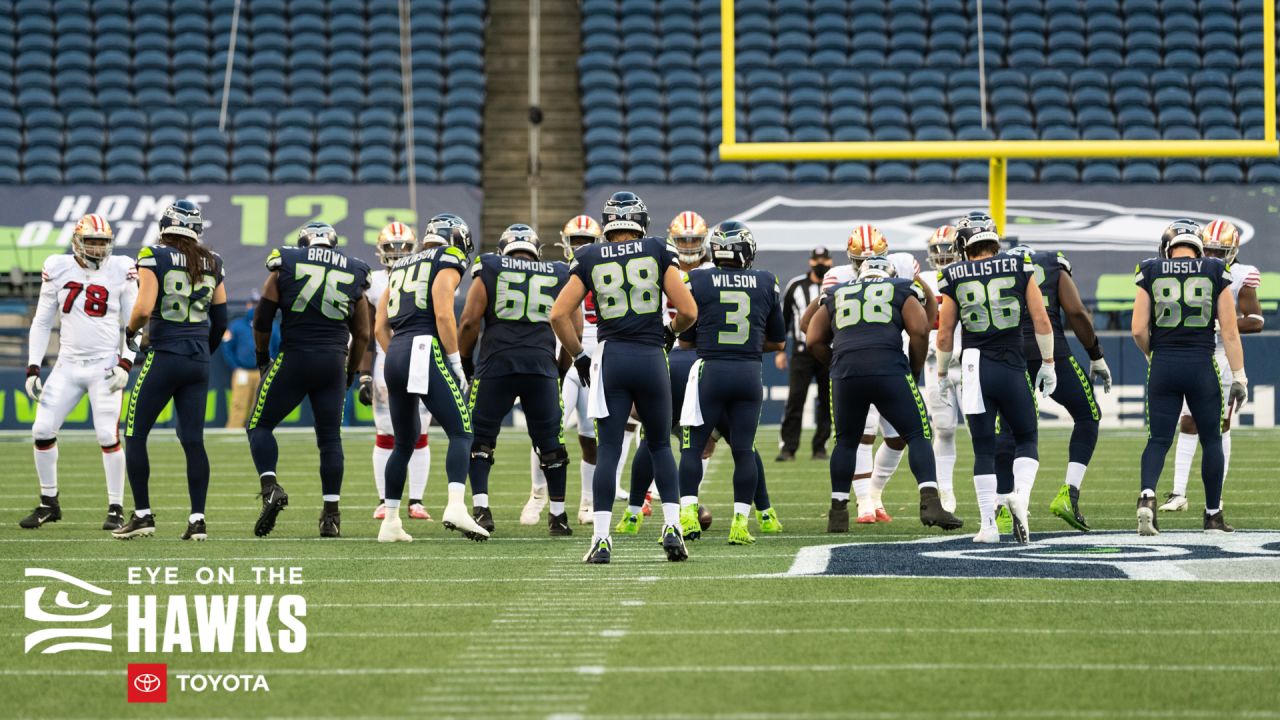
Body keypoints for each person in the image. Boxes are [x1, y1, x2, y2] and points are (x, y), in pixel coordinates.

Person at [549, 190, 697, 564]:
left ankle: (601, 539)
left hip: (611, 357)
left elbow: (557, 315)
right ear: (641, 223)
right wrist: (669, 332)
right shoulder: (658, 249)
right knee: (661, 444)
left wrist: (579, 356)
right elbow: (689, 311)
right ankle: (672, 528)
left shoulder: (589, 255)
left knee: (610, 450)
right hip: (650, 357)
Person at [808, 256, 962, 532]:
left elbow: (811, 336)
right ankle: (930, 502)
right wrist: (913, 369)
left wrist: (836, 362)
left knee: (845, 441)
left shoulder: (838, 291)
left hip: (846, 372)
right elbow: (920, 329)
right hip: (888, 368)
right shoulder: (901, 287)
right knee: (918, 434)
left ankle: (838, 512)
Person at [935, 213, 1055, 545]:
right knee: (1027, 436)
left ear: (963, 244)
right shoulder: (1019, 264)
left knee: (983, 448)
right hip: (1013, 364)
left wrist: (943, 372)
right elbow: (1041, 318)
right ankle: (1022, 497)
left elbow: (945, 333)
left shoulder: (953, 273)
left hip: (974, 367)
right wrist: (1048, 362)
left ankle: (988, 525)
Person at [248, 222, 371, 539]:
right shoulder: (355, 269)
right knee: (330, 439)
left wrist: (263, 358)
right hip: (333, 360)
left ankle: (270, 487)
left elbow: (262, 319)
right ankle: (331, 517)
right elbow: (362, 334)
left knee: (259, 426)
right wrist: (351, 372)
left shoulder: (286, 261)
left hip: (294, 356)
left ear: (304, 244)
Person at [114, 200, 227, 540]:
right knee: (193, 440)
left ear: (165, 226)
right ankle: (197, 521)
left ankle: (144, 515)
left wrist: (129, 332)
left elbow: (144, 307)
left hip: (165, 354)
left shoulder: (154, 254)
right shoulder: (213, 260)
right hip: (197, 358)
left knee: (134, 434)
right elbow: (220, 319)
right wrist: (202, 351)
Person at [374, 213, 490, 543]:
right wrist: (455, 362)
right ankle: (455, 505)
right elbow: (442, 311)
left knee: (404, 441)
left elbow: (380, 326)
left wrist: (398, 352)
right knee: (462, 430)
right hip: (425, 347)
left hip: (395, 351)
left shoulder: (401, 265)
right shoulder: (447, 256)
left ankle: (391, 521)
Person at [20, 214, 137, 531]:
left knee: (106, 435)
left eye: (103, 243)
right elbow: (43, 321)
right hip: (67, 364)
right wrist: (33, 365)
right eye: (92, 242)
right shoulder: (57, 267)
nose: (98, 249)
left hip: (105, 365)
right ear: (77, 241)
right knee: (41, 429)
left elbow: (135, 323)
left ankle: (116, 508)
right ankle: (49, 503)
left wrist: (126, 362)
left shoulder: (122, 268)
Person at [674, 221, 786, 544]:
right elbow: (778, 342)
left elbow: (685, 340)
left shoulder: (697, 279)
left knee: (692, 447)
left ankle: (687, 517)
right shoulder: (767, 281)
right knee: (744, 450)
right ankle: (740, 524)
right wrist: (747, 344)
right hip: (748, 372)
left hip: (710, 370)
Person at [458, 224, 575, 536]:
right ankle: (558, 516)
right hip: (541, 365)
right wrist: (560, 370)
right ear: (535, 251)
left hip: (497, 364)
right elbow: (571, 329)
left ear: (503, 249)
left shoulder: (491, 267)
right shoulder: (557, 272)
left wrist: (467, 360)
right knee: (551, 444)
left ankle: (482, 510)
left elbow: (469, 321)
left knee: (480, 440)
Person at [1132, 219, 1247, 535]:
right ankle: (1212, 516)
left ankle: (1147, 496)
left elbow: (1138, 329)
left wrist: (1152, 354)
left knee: (1158, 439)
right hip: (1201, 364)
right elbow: (1230, 330)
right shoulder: (1214, 269)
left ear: (1168, 246)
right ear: (1198, 245)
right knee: (1212, 440)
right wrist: (1239, 376)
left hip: (1164, 364)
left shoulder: (1151, 268)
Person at [995, 245, 1111, 532]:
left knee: (1008, 430)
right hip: (1051, 352)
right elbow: (1077, 312)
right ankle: (1069, 494)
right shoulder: (1052, 264)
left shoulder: (993, 269)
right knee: (1088, 415)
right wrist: (1095, 354)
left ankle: (1002, 508)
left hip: (1007, 354)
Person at [1161, 219, 1262, 513]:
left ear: (1233, 251)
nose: (1215, 257)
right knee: (1188, 422)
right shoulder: (1192, 268)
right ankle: (1178, 492)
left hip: (1223, 353)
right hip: (1194, 351)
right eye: (1211, 250)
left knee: (1221, 425)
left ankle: (1215, 498)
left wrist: (1221, 325)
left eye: (1220, 251)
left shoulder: (1243, 275)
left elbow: (1255, 320)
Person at [357, 221, 433, 522]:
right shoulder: (374, 282)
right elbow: (367, 330)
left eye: (403, 246)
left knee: (421, 433)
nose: (398, 252)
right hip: (387, 358)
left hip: (421, 354)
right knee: (386, 433)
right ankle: (384, 500)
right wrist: (364, 373)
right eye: (392, 246)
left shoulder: (428, 277)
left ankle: (416, 500)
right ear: (380, 250)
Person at [776, 247, 834, 461]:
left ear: (830, 261)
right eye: (817, 259)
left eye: (824, 259)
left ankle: (820, 447)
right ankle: (788, 448)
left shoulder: (836, 284)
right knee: (795, 399)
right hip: (801, 351)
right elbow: (784, 320)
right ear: (811, 262)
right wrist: (780, 351)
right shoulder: (796, 285)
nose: (821, 263)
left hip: (827, 350)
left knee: (828, 401)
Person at [921, 225, 963, 512]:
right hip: (935, 363)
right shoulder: (922, 280)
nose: (943, 256)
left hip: (969, 359)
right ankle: (945, 491)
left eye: (948, 249)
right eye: (938, 250)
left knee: (983, 427)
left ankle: (997, 494)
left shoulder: (967, 274)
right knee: (944, 428)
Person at [221, 291, 280, 429]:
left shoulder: (273, 325)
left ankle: (259, 437)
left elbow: (279, 347)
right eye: (253, 304)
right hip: (243, 372)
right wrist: (236, 367)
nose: (255, 307)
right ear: (248, 305)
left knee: (261, 409)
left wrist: (272, 367)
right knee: (239, 407)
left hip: (264, 372)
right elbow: (227, 347)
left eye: (259, 304)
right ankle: (232, 438)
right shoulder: (237, 325)